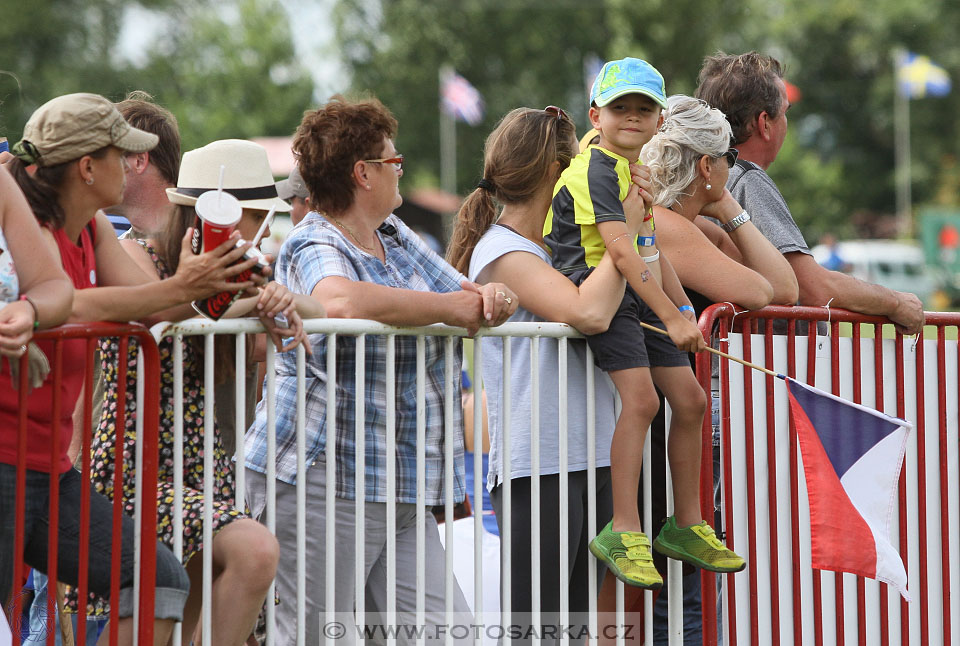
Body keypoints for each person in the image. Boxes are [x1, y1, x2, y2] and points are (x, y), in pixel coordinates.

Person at [243, 95, 517, 646]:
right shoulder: (311, 239)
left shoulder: (394, 235)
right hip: (323, 479)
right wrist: (457, 310)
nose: (401, 169)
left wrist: (490, 295)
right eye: (394, 161)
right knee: (316, 637)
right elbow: (338, 302)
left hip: (398, 482)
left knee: (449, 635)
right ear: (363, 173)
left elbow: (464, 296)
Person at [0, 92, 245, 645]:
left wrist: (219, 284)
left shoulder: (91, 228)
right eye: (122, 153)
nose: (135, 164)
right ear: (88, 168)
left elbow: (154, 304)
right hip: (7, 461)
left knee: (159, 578)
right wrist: (189, 285)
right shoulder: (33, 227)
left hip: (47, 469)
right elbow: (72, 306)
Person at [79, 139, 320, 645]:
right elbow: (158, 318)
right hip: (136, 463)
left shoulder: (238, 270)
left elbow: (270, 337)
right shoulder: (133, 253)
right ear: (217, 212)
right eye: (257, 215)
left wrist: (273, 297)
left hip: (201, 463)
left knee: (188, 610)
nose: (259, 232)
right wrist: (250, 302)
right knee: (250, 556)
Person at [446, 106, 648, 637]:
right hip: (539, 462)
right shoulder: (501, 249)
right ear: (561, 169)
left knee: (578, 630)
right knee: (538, 629)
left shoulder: (569, 246)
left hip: (594, 454)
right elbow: (589, 312)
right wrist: (622, 233)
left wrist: (635, 221)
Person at [542, 58, 744, 589]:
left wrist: (683, 312)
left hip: (635, 295)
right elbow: (621, 254)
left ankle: (685, 523)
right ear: (596, 115)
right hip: (599, 292)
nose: (631, 117)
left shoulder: (636, 174)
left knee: (692, 399)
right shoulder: (595, 171)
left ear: (658, 122)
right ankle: (625, 529)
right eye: (619, 108)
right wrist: (670, 320)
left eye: (643, 109)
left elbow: (650, 252)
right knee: (643, 401)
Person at [624, 94, 800, 645]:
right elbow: (760, 290)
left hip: (674, 419)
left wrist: (728, 210)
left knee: (683, 585)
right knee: (679, 591)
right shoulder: (668, 226)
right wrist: (727, 208)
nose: (733, 170)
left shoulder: (692, 224)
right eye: (727, 159)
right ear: (707, 166)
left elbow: (787, 290)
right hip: (661, 421)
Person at [694, 52, 924, 334]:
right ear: (764, 123)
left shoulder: (697, 177)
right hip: (757, 370)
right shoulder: (748, 180)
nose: (786, 124)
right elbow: (814, 288)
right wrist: (897, 303)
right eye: (786, 113)